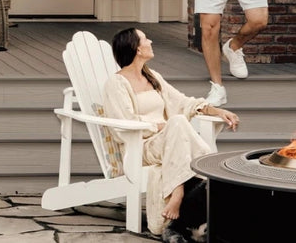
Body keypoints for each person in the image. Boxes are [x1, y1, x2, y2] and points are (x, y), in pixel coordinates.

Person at [103, 27, 240, 241]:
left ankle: (184, 192)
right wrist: (158, 126)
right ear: (136, 48)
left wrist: (216, 110)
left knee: (177, 122)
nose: (150, 42)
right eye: (145, 39)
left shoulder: (152, 76)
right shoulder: (117, 83)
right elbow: (122, 124)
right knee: (176, 123)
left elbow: (183, 102)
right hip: (140, 147)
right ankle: (185, 188)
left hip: (169, 143)